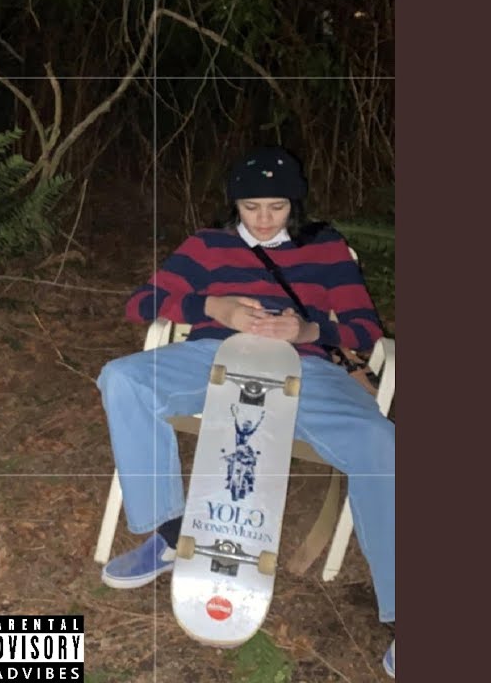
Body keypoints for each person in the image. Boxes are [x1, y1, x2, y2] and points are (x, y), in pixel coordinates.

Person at [94, 147, 395, 676]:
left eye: (277, 207)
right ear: (234, 203)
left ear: (295, 205)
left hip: (305, 368)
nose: (262, 220)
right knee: (124, 379)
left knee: (379, 440)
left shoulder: (324, 247)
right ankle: (170, 533)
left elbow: (365, 328)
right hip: (213, 358)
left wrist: (307, 329)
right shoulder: (208, 244)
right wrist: (214, 307)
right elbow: (141, 303)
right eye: (250, 207)